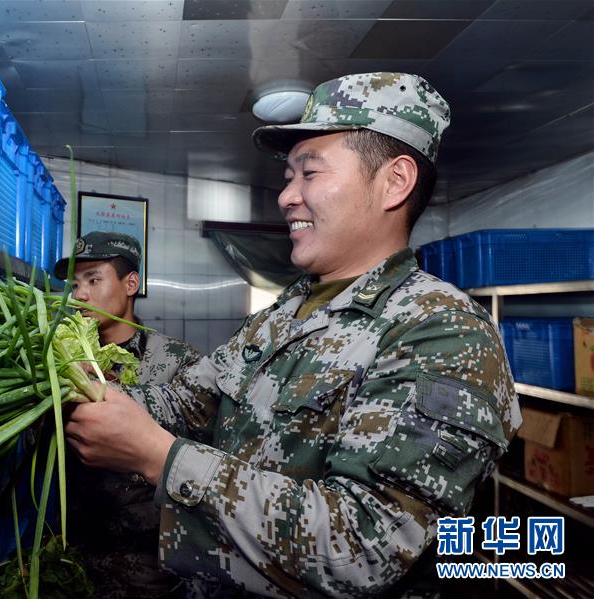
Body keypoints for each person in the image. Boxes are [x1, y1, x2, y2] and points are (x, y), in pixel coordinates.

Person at [65, 73, 522, 597]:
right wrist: (78, 388)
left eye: (309, 173)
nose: (286, 196)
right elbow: (187, 401)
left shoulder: (441, 331)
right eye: (288, 176)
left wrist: (158, 457)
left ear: (394, 182)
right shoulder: (284, 313)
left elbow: (365, 545)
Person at [54, 231, 202, 598]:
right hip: (74, 560)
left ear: (130, 283)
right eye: (74, 284)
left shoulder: (177, 362)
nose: (80, 294)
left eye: (93, 279)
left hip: (149, 570)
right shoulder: (58, 361)